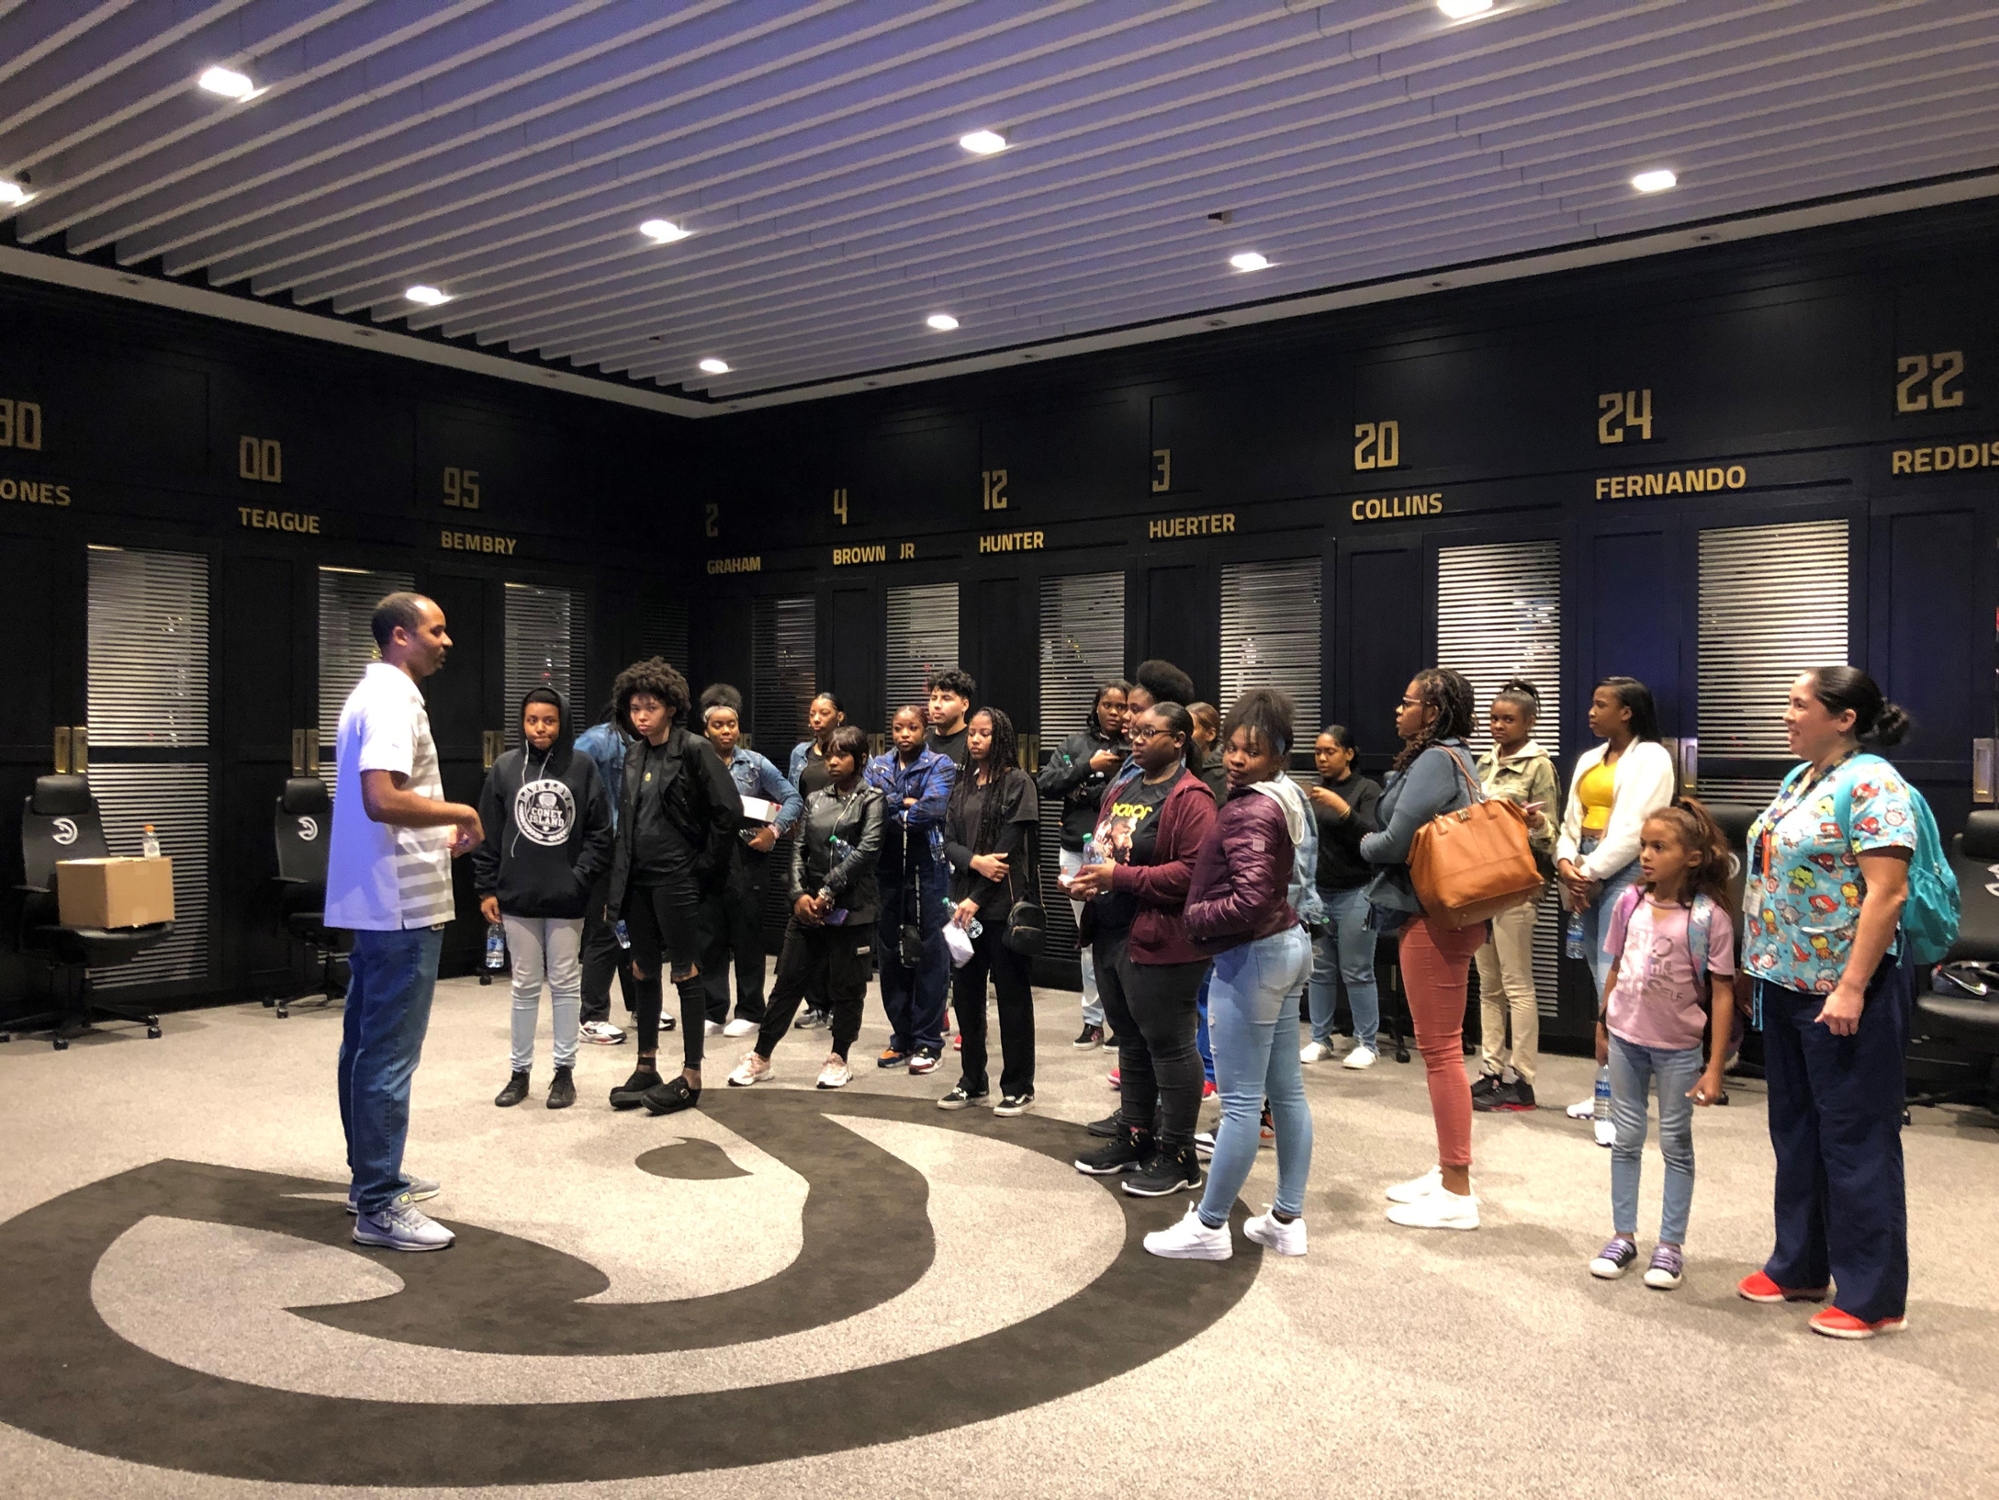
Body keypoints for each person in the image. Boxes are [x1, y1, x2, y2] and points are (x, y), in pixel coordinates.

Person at [1738, 667, 1919, 1340]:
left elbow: (1887, 894)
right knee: (1796, 1131)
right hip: (1785, 982)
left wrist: (1848, 985)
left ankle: (1872, 1296)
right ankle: (1800, 1266)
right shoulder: (1802, 779)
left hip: (1848, 991)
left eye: (1797, 704)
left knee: (1854, 1138)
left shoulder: (1872, 783)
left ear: (1842, 717)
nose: (1785, 715)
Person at [324, 592, 483, 1253]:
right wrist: (462, 814)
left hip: (376, 898)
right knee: (389, 1053)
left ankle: (371, 1179)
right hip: (400, 904)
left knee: (363, 1043)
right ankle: (381, 1204)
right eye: (435, 631)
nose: (446, 642)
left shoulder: (371, 691)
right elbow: (382, 796)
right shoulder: (393, 697)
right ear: (399, 636)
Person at [1145, 688, 1316, 1260]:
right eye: (1235, 747)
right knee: (1285, 1094)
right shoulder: (1284, 796)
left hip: (1255, 955)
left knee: (1243, 1101)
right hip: (1286, 946)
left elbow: (1248, 898)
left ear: (1279, 753)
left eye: (1255, 750)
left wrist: (1194, 919)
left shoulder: (1250, 808)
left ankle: (1210, 1226)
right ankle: (1287, 1217)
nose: (1239, 759)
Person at [1067, 703, 1217, 1196]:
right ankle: (1136, 1135)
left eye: (1149, 733)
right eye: (1135, 731)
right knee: (1129, 1038)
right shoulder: (1123, 784)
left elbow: (1194, 873)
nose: (1137, 739)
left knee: (1170, 1045)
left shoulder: (1192, 796)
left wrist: (1120, 877)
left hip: (1162, 937)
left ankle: (1178, 1154)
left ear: (1178, 740)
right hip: (1111, 928)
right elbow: (1104, 845)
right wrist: (1088, 879)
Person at [1587, 802, 1736, 1290]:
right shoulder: (1629, 902)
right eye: (1643, 847)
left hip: (1678, 1048)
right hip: (1627, 1038)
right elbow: (1615, 966)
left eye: (1659, 847)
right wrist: (1604, 1021)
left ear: (1693, 857)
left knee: (1675, 1142)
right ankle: (1623, 1234)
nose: (1646, 857)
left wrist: (1714, 1067)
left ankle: (1670, 1244)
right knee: (1625, 1137)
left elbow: (1721, 991)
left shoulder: (1708, 917)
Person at [1360, 667, 1488, 1231]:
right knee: (1444, 1050)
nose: (1398, 710)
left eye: (1408, 702)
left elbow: (1392, 842)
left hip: (1433, 918)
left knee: (1441, 1052)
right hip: (1444, 917)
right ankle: (1447, 1170)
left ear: (1432, 713)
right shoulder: (1454, 756)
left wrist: (1358, 838)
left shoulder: (1437, 759)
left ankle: (1458, 1190)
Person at [602, 657, 743, 1117]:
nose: (641, 715)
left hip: (678, 878)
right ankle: (646, 1065)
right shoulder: (634, 753)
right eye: (634, 708)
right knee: (642, 969)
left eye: (650, 707)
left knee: (686, 971)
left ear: (671, 707)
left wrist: (702, 868)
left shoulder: (695, 749)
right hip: (638, 880)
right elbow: (628, 822)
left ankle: (691, 1074)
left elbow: (729, 812)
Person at [474, 688, 614, 1111]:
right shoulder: (505, 768)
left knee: (567, 984)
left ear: (562, 722)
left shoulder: (583, 766)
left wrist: (580, 878)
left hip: (567, 896)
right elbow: (488, 830)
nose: (540, 728)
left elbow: (599, 832)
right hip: (516, 894)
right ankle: (519, 1073)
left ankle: (564, 1072)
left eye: (549, 721)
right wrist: (485, 887)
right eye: (532, 720)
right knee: (524, 986)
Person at [727, 726, 886, 1092]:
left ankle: (838, 1058)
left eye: (842, 755)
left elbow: (867, 851)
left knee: (847, 988)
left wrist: (829, 890)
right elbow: (798, 849)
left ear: (860, 760)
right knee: (787, 984)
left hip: (852, 909)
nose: (832, 761)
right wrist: (799, 894)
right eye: (829, 754)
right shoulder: (814, 798)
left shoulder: (873, 799)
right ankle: (761, 1057)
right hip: (807, 908)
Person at [1555, 677, 1678, 1137]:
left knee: (1620, 987)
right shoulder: (1589, 759)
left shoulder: (1652, 757)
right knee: (1597, 981)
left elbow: (1634, 830)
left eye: (1600, 704)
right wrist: (1567, 862)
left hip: (1622, 871)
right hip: (1585, 866)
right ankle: (1606, 1085)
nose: (1590, 711)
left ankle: (1623, 1102)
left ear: (1627, 712)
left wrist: (1588, 872)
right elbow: (1571, 821)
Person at [937, 707, 1041, 1116]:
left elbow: (1008, 848)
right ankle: (971, 1080)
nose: (976, 740)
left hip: (1000, 906)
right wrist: (974, 864)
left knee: (1012, 999)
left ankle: (1018, 1085)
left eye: (984, 734)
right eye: (973, 734)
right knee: (965, 996)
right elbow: (947, 842)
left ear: (1001, 738)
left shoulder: (1019, 783)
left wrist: (977, 892)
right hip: (962, 907)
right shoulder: (963, 784)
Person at [1470, 680, 1561, 1111]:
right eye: (1493, 718)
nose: (1498, 726)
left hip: (1516, 886)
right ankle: (1491, 1069)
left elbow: (1551, 834)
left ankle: (1522, 1079)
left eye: (1508, 719)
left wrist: (1531, 823)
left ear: (1530, 721)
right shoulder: (1482, 762)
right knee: (1488, 984)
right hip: (1481, 883)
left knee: (1517, 983)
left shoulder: (1538, 766)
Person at [697, 684, 802, 1038]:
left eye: (732, 724)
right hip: (706, 857)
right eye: (719, 725)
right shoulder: (694, 761)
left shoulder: (755, 764)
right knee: (709, 936)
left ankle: (750, 1009)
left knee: (747, 935)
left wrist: (773, 832)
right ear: (705, 729)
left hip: (748, 858)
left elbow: (792, 799)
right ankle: (713, 1009)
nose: (726, 731)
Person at [1037, 679, 1130, 1048]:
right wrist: (1086, 767)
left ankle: (1122, 1022)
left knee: (1121, 938)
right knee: (1089, 938)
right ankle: (1093, 1021)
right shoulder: (1076, 745)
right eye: (1108, 705)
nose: (1115, 712)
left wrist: (1084, 792)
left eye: (1122, 706)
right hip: (1077, 849)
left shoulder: (1137, 745)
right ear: (1096, 707)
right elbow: (1046, 782)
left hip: (1119, 853)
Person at [866, 706, 956, 1073]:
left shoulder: (941, 764)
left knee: (931, 950)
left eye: (913, 727)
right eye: (899, 727)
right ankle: (901, 1037)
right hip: (888, 865)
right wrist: (900, 805)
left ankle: (928, 1040)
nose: (905, 734)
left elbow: (933, 807)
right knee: (890, 950)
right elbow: (870, 804)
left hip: (928, 866)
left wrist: (902, 809)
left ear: (924, 729)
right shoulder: (879, 765)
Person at [1299, 724, 1384, 1069]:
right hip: (1319, 894)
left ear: (1349, 753)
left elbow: (1374, 839)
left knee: (1358, 970)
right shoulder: (1316, 791)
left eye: (1329, 751)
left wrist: (1342, 808)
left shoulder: (1367, 789)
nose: (1321, 758)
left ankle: (1368, 1043)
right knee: (1319, 969)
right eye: (1318, 752)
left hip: (1357, 892)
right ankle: (1320, 1039)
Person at [573, 703, 635, 1045]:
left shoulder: (649, 741)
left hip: (635, 846)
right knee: (604, 930)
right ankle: (592, 1017)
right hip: (605, 847)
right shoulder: (598, 741)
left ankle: (641, 1005)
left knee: (633, 928)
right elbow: (567, 783)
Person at [788, 691, 847, 1029]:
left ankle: (839, 1003)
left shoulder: (848, 749)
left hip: (840, 844)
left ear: (839, 716)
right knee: (809, 924)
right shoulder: (801, 753)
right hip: (808, 840)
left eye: (824, 713)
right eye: (812, 713)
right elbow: (795, 796)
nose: (816, 719)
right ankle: (816, 1004)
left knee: (837, 928)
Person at [925, 668, 977, 768]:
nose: (937, 705)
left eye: (946, 698)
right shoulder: (921, 741)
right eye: (934, 698)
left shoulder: (974, 743)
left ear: (964, 705)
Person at [1187, 701, 1229, 807]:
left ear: (1210, 734)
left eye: (1190, 729)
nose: (1183, 735)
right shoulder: (1176, 767)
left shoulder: (1222, 776)